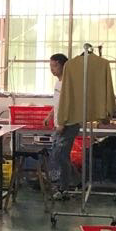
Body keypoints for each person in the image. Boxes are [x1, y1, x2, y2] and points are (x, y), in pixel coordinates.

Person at [44, 52, 78, 192]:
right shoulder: (58, 83)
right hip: (60, 124)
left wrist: (62, 123)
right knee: (59, 154)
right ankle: (72, 182)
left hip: (68, 125)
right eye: (51, 66)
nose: (52, 69)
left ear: (63, 66)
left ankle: (65, 187)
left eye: (55, 66)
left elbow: (70, 105)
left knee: (60, 154)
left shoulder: (69, 83)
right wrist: (50, 116)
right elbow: (58, 103)